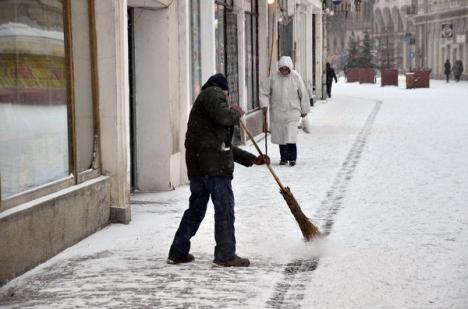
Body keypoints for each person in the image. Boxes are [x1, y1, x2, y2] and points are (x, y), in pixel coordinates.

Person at [168, 73, 270, 267]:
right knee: (224, 210)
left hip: (200, 167)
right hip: (214, 169)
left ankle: (178, 251)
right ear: (224, 90)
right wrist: (236, 113)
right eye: (227, 96)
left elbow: (223, 146)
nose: (226, 100)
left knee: (196, 209)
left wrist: (252, 159)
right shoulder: (214, 93)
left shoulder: (204, 103)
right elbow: (224, 117)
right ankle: (225, 254)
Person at [259, 56, 310, 167]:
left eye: (286, 69)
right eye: (282, 69)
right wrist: (264, 105)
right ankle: (284, 158)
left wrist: (304, 109)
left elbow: (303, 93)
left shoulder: (296, 77)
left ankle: (292, 158)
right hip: (277, 112)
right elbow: (264, 92)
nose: (284, 71)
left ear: (290, 68)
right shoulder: (273, 77)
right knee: (281, 137)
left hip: (293, 111)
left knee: (291, 136)